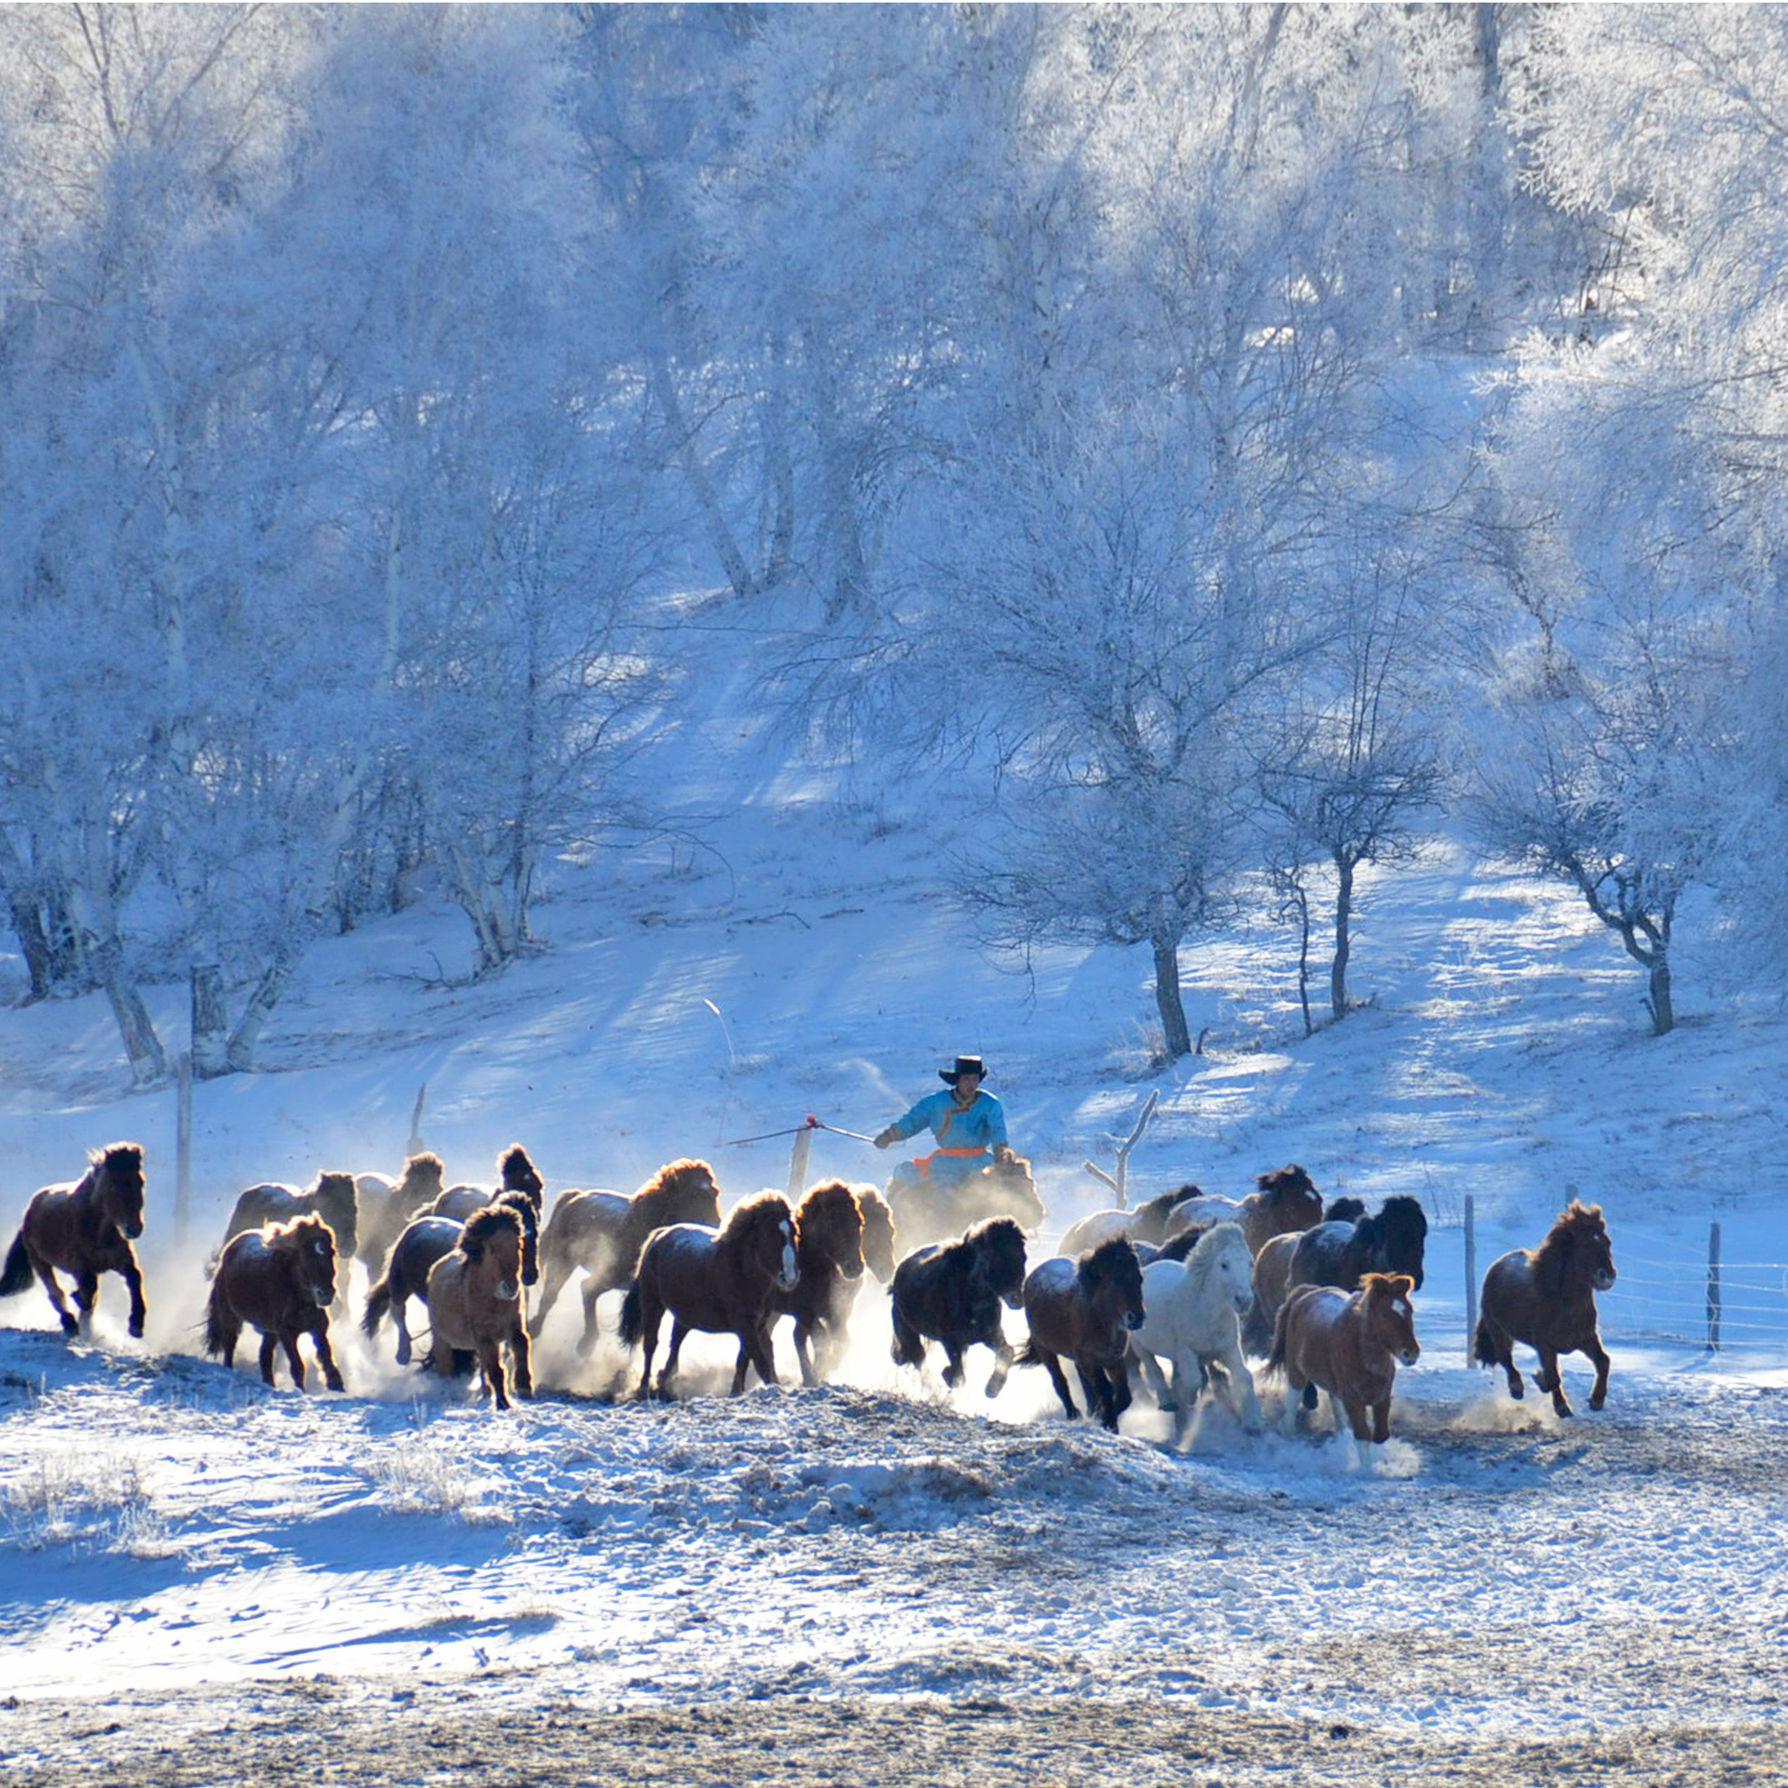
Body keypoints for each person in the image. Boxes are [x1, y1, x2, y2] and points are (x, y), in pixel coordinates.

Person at [874, 1055, 1014, 1193]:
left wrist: (1001, 1153)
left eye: (974, 1078)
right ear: (957, 1080)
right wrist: (888, 1136)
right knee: (903, 1172)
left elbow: (998, 1130)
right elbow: (912, 1121)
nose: (971, 1084)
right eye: (966, 1078)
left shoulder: (990, 1103)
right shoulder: (936, 1102)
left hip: (979, 1163)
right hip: (945, 1163)